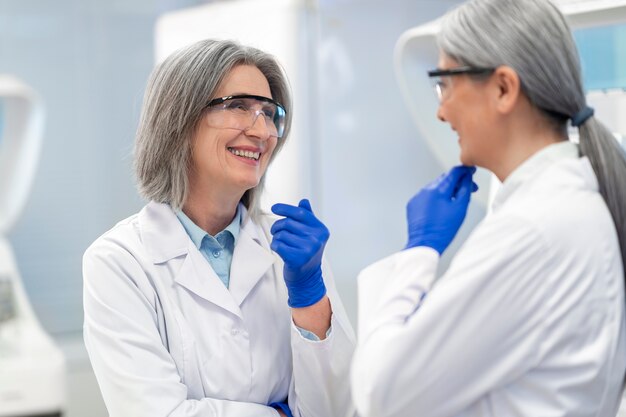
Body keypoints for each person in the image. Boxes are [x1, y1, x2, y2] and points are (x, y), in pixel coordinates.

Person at [350, 0, 626, 416]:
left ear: (503, 89)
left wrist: (419, 252)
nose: (441, 111)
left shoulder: (532, 229)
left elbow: (381, 395)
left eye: (444, 83)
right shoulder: (566, 205)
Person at [82, 39, 355, 417]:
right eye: (239, 107)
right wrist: (280, 413)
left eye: (269, 112)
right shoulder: (120, 262)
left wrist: (309, 295)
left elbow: (338, 409)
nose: (262, 131)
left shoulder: (294, 250)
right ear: (179, 120)